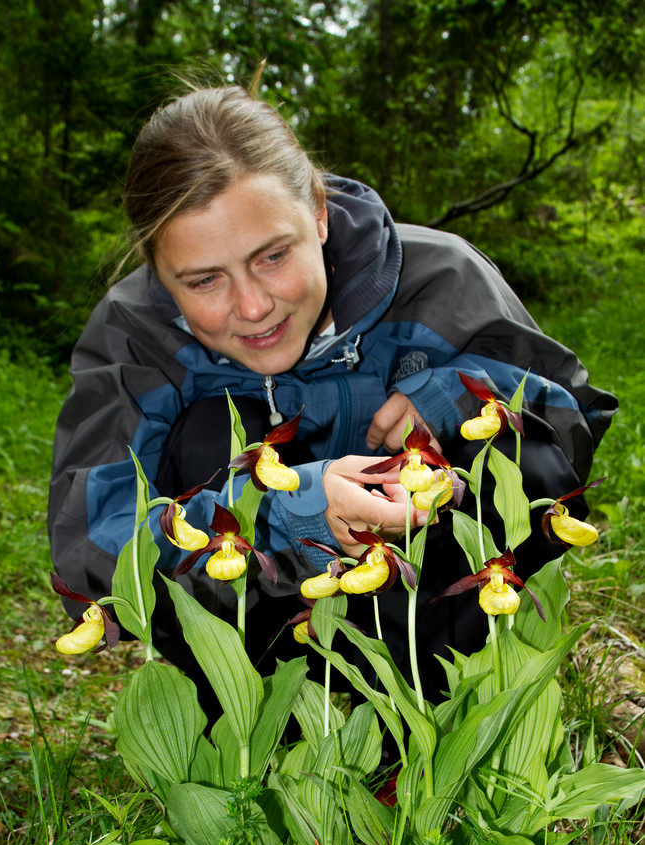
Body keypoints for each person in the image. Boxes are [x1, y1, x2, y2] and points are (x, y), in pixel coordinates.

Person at [48, 84, 617, 708]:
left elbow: (573, 417)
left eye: (272, 256)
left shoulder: (442, 276)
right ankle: (252, 719)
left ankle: (452, 699)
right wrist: (286, 508)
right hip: (272, 598)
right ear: (158, 270)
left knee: (512, 444)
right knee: (212, 433)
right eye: (204, 279)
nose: (253, 306)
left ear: (318, 212)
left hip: (425, 590)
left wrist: (456, 397)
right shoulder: (133, 334)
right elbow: (91, 545)